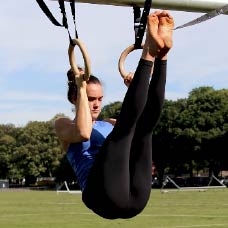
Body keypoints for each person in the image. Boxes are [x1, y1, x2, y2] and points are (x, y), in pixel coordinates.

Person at [55, 10, 174, 219]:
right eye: (91, 99)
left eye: (100, 99)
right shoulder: (64, 125)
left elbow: (139, 119)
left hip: (135, 198)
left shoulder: (110, 123)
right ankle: (149, 49)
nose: (97, 104)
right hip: (101, 196)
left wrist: (136, 87)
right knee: (124, 131)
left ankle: (162, 54)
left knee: (143, 130)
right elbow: (83, 132)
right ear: (75, 98)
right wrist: (81, 88)